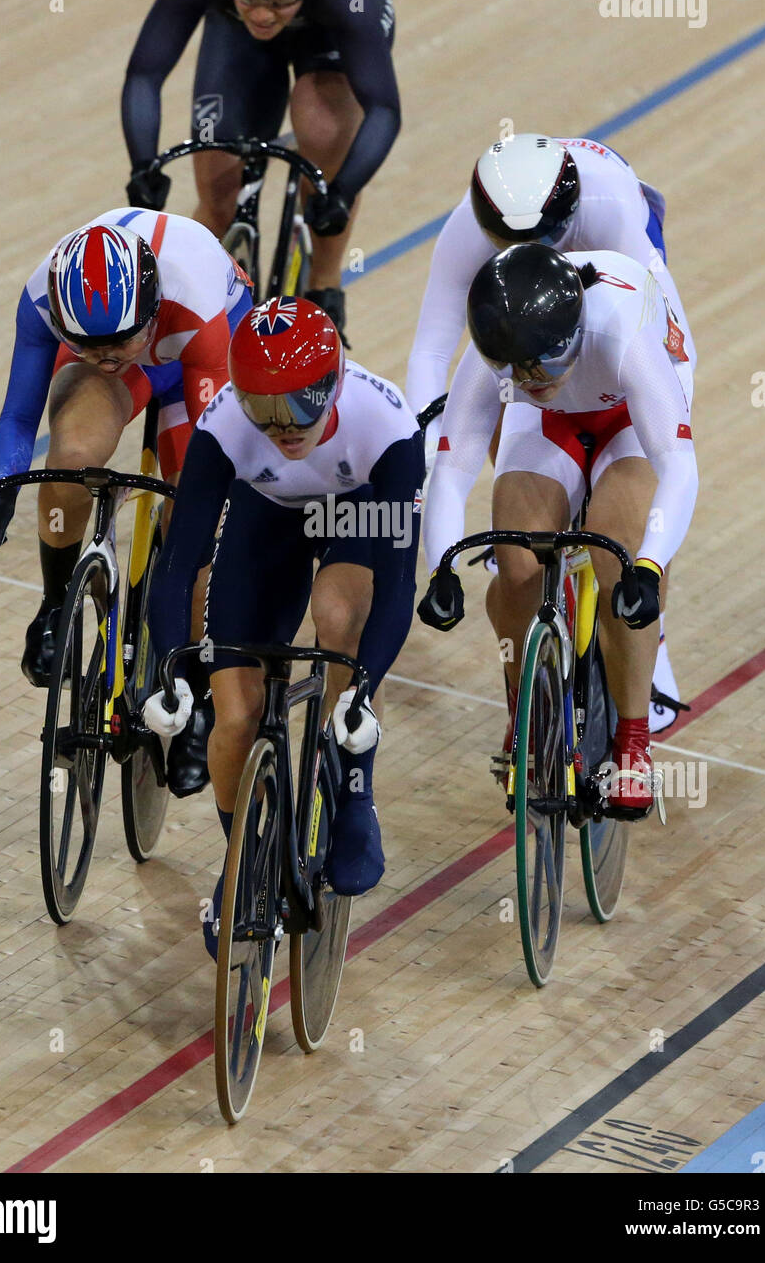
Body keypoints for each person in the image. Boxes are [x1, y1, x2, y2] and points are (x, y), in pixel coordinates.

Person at [143, 296, 423, 954]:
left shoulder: (383, 424)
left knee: (337, 617)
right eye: (262, 410)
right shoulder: (225, 428)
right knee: (235, 716)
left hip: (354, 513)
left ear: (333, 384)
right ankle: (245, 860)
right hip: (266, 515)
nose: (282, 427)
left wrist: (362, 689)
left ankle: (354, 797)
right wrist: (170, 671)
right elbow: (181, 562)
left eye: (299, 407)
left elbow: (399, 582)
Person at [406, 132, 693, 730]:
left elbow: (670, 349)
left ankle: (646, 649)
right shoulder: (469, 237)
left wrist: (650, 562)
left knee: (622, 529)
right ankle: (532, 643)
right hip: (531, 338)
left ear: (564, 220)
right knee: (517, 536)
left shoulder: (608, 207)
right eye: (507, 242)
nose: (525, 249)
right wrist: (440, 537)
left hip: (622, 339)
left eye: (537, 239)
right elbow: (434, 355)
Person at [0, 210, 252, 788]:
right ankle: (52, 607)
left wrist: (196, 508)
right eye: (85, 345)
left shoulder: (191, 292)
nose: (104, 357)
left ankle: (194, 687)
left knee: (196, 505)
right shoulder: (45, 298)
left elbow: (215, 454)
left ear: (145, 307)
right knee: (71, 461)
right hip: (148, 347)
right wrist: (1, 488)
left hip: (200, 351)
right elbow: (19, 415)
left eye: (117, 341)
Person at [417, 244, 698, 819]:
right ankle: (527, 719)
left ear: (573, 331)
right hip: (546, 425)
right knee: (517, 559)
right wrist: (441, 567)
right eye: (517, 369)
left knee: (621, 547)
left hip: (628, 412)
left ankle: (633, 741)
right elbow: (451, 474)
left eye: (545, 361)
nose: (533, 378)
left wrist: (650, 565)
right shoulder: (495, 362)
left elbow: (679, 468)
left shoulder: (619, 330)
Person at [122, 0, 400, 339]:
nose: (265, 13)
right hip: (235, 34)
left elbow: (384, 108)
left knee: (322, 133)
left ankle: (325, 285)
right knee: (217, 189)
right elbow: (145, 73)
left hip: (329, 33)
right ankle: (187, 303)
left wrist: (343, 193)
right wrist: (142, 166)